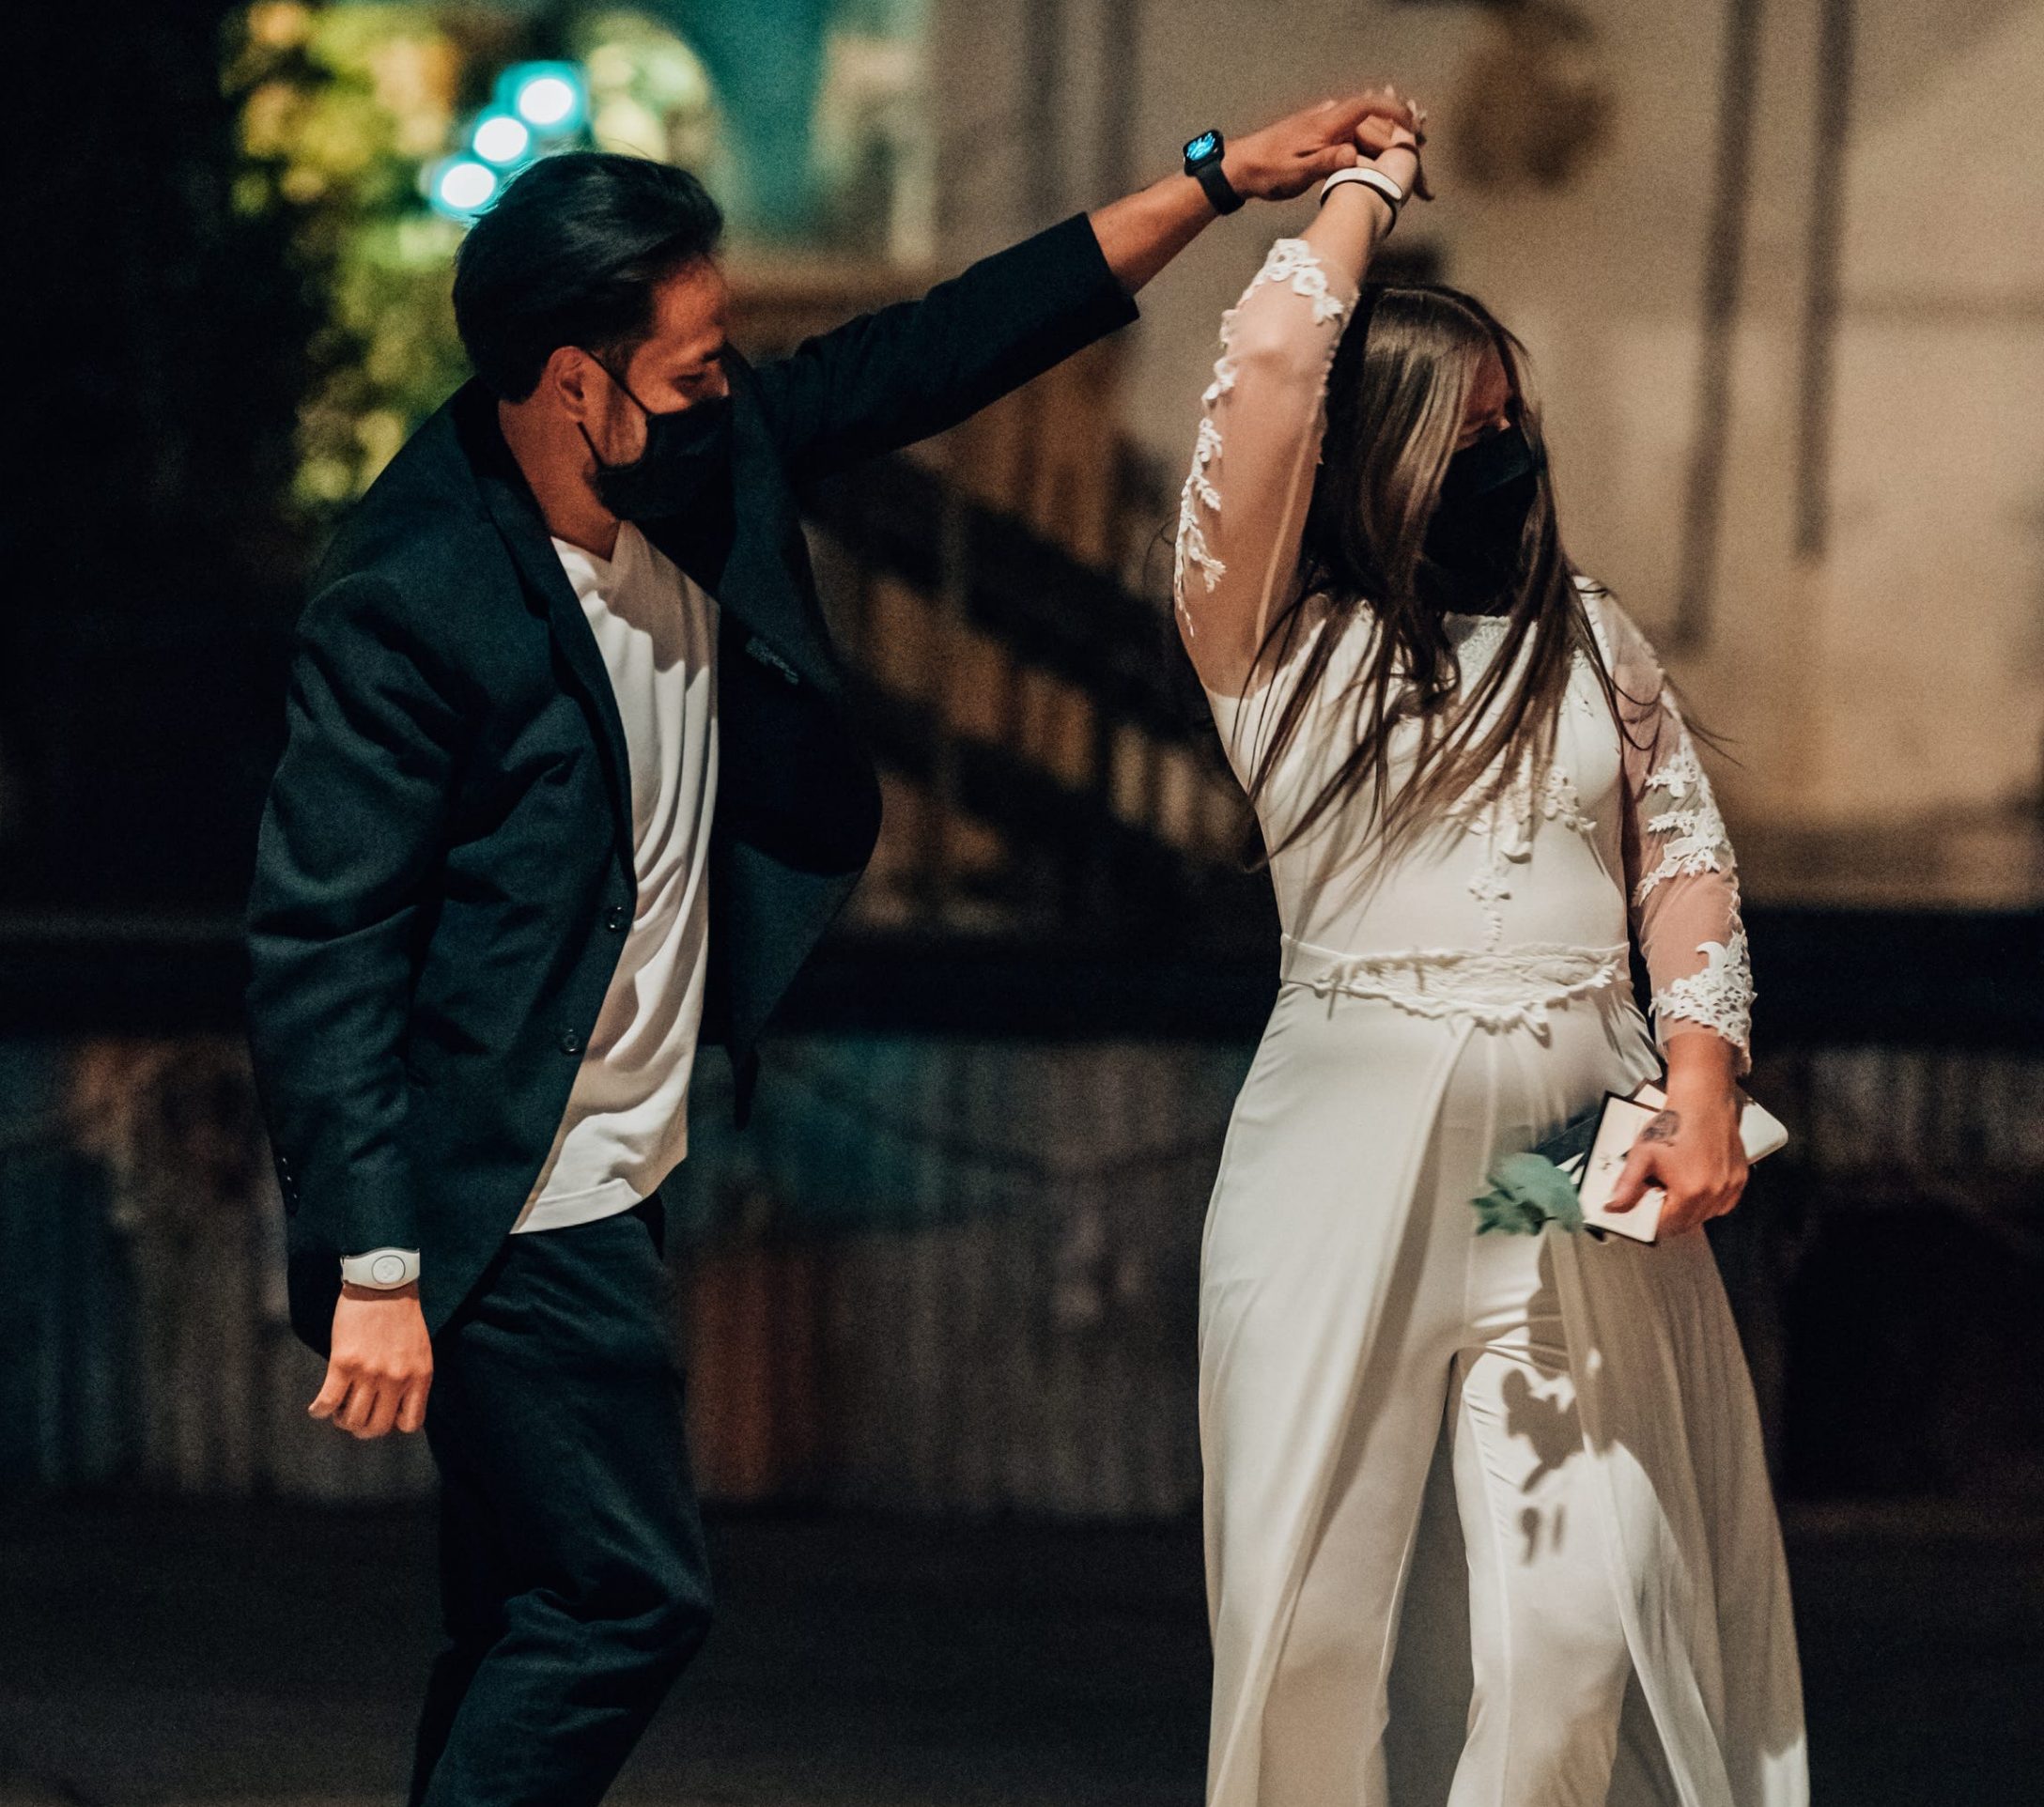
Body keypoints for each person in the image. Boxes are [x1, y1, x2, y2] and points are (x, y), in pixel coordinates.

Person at [243, 99, 1410, 1807]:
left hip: (612, 1162)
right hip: (504, 1182)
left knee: (522, 1615)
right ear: (575, 381)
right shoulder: (415, 596)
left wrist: (1222, 180)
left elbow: (944, 348)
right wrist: (376, 1261)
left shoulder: (698, 466)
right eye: (695, 367)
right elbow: (322, 934)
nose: (728, 390)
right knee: (625, 1597)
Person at [1171, 112, 1808, 1806]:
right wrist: (1364, 188)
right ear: (1376, 448)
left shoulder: (1587, 638)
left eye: (1518, 431)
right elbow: (1274, 369)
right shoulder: (1266, 635)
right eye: (1470, 432)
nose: (1504, 462)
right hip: (1343, 1155)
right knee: (1306, 1617)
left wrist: (1698, 1086)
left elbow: (1680, 864)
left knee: (1577, 1616)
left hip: (1551, 1167)